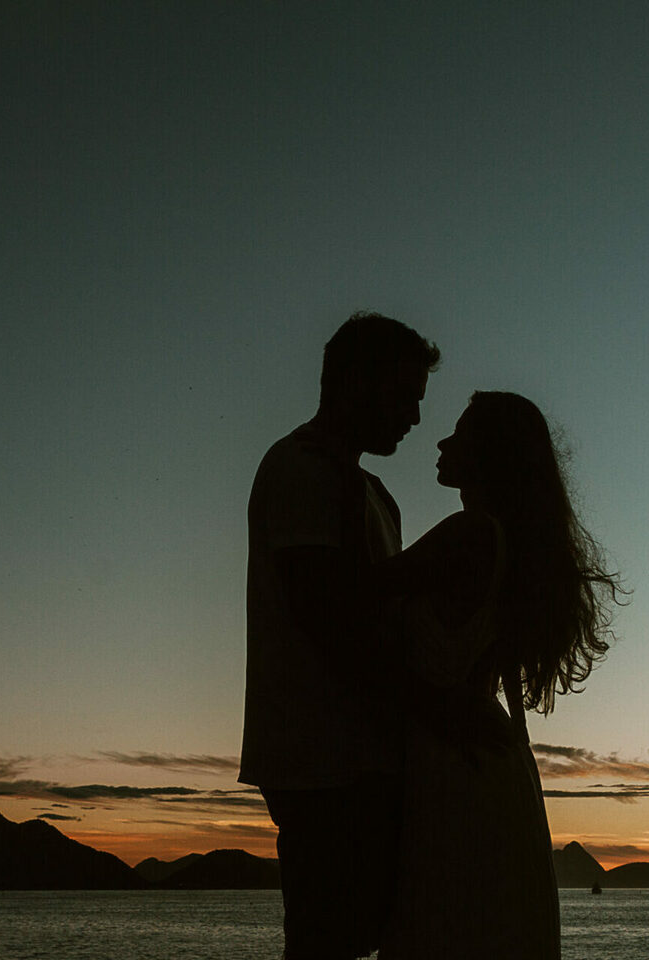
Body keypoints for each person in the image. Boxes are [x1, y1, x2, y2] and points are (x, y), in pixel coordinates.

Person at [373, 391, 624, 959]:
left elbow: (345, 599)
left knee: (445, 926)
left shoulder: (470, 534)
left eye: (458, 434)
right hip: (484, 759)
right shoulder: (506, 543)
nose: (441, 443)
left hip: (453, 757)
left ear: (490, 453)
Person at [239, 311, 441, 959]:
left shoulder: (374, 492)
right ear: (356, 382)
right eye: (406, 396)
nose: (414, 417)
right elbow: (327, 615)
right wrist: (436, 706)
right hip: (321, 762)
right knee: (326, 943)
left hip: (366, 760)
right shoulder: (300, 468)